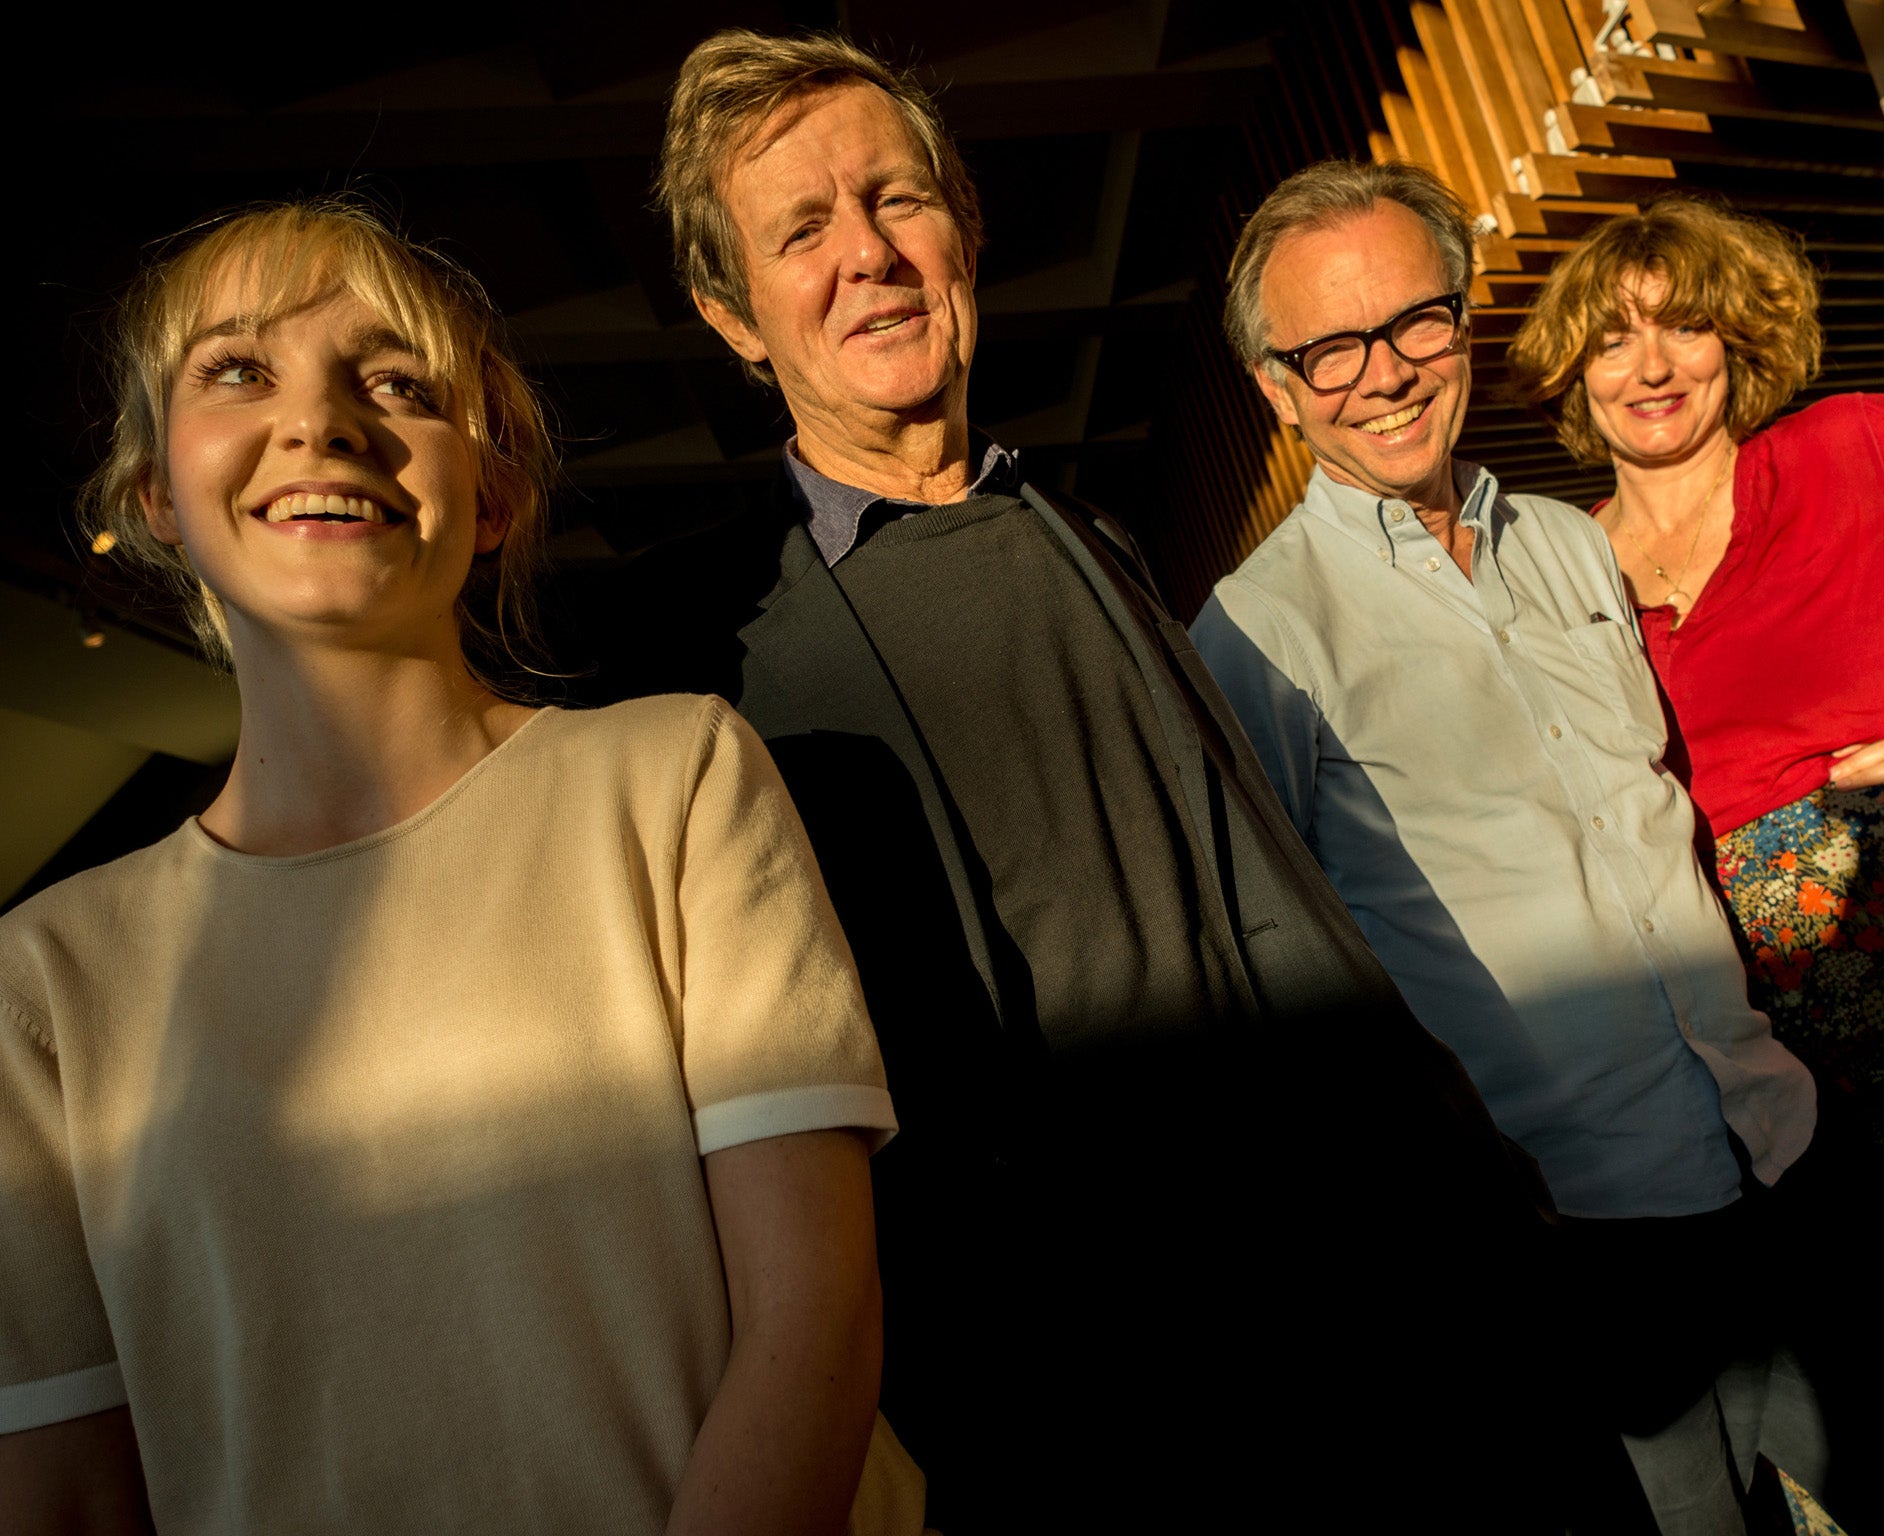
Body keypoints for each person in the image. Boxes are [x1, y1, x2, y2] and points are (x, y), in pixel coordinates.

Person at [588, 31, 1564, 1533]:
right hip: (1070, 1406)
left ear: (964, 230)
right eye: (802, 231)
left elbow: (1272, 901)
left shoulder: (1089, 537)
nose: (870, 256)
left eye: (896, 200)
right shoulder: (695, 652)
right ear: (732, 317)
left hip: (1355, 1330)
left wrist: (1475, 1200)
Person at [0, 200, 922, 1535]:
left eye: (397, 381)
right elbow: (67, 1490)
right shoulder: (42, 983)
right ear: (157, 490)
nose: (320, 423)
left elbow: (815, 1318)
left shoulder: (673, 784)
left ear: (489, 496)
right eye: (239, 370)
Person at [1189, 159, 1824, 1534]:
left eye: (1417, 320)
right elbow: (1288, 978)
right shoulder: (1254, 639)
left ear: (1465, 321)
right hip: (1576, 1238)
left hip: (1776, 1149)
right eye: (1334, 347)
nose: (1390, 373)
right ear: (1278, 388)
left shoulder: (1567, 546)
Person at [1504, 195, 1884, 1294]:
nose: (1649, 366)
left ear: (1736, 342)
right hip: (1755, 1037)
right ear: (1569, 369)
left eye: (1683, 325)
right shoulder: (1554, 578)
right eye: (1611, 339)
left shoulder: (1853, 448)